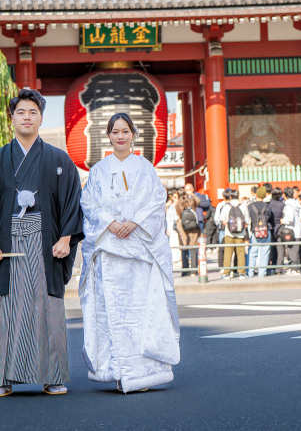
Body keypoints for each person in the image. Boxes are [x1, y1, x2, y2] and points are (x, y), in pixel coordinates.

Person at [0, 88, 84, 398]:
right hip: (7, 249)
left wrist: (66, 239)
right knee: (6, 311)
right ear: (12, 119)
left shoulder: (59, 160)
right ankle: (1, 379)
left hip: (47, 246)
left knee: (49, 309)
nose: (27, 117)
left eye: (33, 112)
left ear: (41, 118)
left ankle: (52, 376)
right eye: (21, 112)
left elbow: (72, 203)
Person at [79, 112, 180, 393]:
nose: (120, 136)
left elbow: (157, 199)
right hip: (109, 250)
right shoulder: (98, 170)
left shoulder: (145, 167)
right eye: (115, 131)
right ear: (109, 136)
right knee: (111, 311)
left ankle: (143, 373)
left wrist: (134, 223)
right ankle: (116, 370)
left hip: (139, 250)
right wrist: (111, 224)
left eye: (125, 131)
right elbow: (88, 203)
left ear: (134, 134)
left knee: (141, 310)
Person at [218, 189, 249, 279]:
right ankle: (242, 273)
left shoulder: (226, 207)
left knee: (228, 253)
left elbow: (223, 220)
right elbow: (247, 221)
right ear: (238, 196)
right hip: (241, 233)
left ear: (230, 197)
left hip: (229, 233)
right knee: (240, 253)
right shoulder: (243, 206)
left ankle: (226, 273)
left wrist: (230, 226)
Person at [247, 186, 273, 277]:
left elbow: (248, 219)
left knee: (252, 251)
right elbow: (270, 219)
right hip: (265, 231)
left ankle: (250, 272)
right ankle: (262, 273)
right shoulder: (267, 206)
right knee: (265, 252)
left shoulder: (250, 206)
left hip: (255, 231)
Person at [176, 194, 200, 276]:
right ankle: (194, 271)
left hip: (182, 227)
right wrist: (193, 195)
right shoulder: (191, 202)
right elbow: (198, 201)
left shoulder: (178, 205)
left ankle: (185, 271)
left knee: (184, 250)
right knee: (193, 250)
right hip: (193, 229)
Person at [282, 187, 301, 275]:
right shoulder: (296, 203)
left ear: (284, 195)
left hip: (292, 230)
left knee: (292, 251)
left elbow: (289, 218)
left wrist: (283, 221)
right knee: (298, 250)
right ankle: (297, 268)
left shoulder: (288, 204)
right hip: (299, 229)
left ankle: (294, 269)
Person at [267, 187, 286, 274]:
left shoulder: (268, 204)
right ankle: (279, 269)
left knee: (271, 249)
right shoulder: (282, 204)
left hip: (271, 229)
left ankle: (271, 266)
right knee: (280, 250)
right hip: (280, 229)